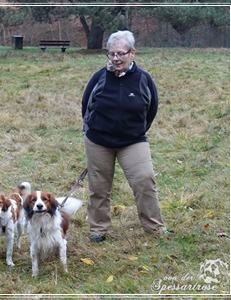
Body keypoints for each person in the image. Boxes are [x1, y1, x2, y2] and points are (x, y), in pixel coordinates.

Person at [81, 30, 169, 243]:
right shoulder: (99, 78)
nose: (115, 58)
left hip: (133, 141)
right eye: (111, 54)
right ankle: (98, 230)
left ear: (132, 53)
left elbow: (151, 109)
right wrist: (92, 131)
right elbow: (86, 106)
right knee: (99, 187)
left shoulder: (143, 79)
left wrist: (135, 131)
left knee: (144, 181)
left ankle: (154, 228)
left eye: (120, 53)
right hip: (98, 141)